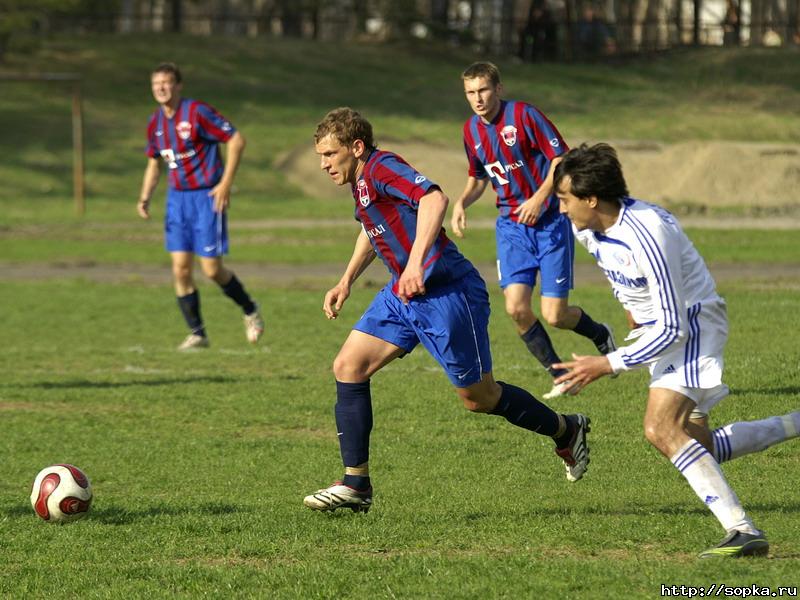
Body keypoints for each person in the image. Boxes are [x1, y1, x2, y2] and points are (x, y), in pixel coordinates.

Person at [303, 107, 592, 513]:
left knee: (479, 397)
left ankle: (566, 429)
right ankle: (356, 485)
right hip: (402, 295)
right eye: (321, 156)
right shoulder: (362, 182)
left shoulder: (383, 167)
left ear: (356, 146)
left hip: (447, 292)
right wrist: (346, 280)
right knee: (348, 367)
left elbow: (434, 198)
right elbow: (373, 228)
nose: (323, 164)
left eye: (330, 155)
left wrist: (417, 261)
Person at [551, 142, 799, 558]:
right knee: (701, 445)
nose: (561, 209)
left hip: (693, 324)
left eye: (565, 199)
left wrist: (607, 363)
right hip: (661, 328)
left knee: (661, 428)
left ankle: (743, 531)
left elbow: (674, 325)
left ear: (591, 199)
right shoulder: (587, 227)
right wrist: (633, 309)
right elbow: (618, 271)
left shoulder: (648, 233)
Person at [452, 61, 615, 400]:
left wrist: (540, 198)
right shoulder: (471, 131)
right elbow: (479, 177)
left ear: (498, 89)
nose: (477, 98)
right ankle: (559, 374)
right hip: (511, 228)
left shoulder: (524, 116)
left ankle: (600, 333)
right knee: (515, 308)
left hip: (550, 222)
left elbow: (561, 158)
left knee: (554, 315)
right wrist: (461, 203)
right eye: (470, 93)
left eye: (483, 90)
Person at [136, 62, 263, 350]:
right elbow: (154, 164)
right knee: (180, 269)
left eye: (167, 83)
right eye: (156, 84)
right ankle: (197, 332)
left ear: (178, 86)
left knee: (211, 270)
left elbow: (236, 139)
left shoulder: (197, 113)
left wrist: (225, 183)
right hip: (177, 200)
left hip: (206, 197)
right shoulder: (154, 123)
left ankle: (249, 308)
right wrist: (145, 196)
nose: (161, 88)